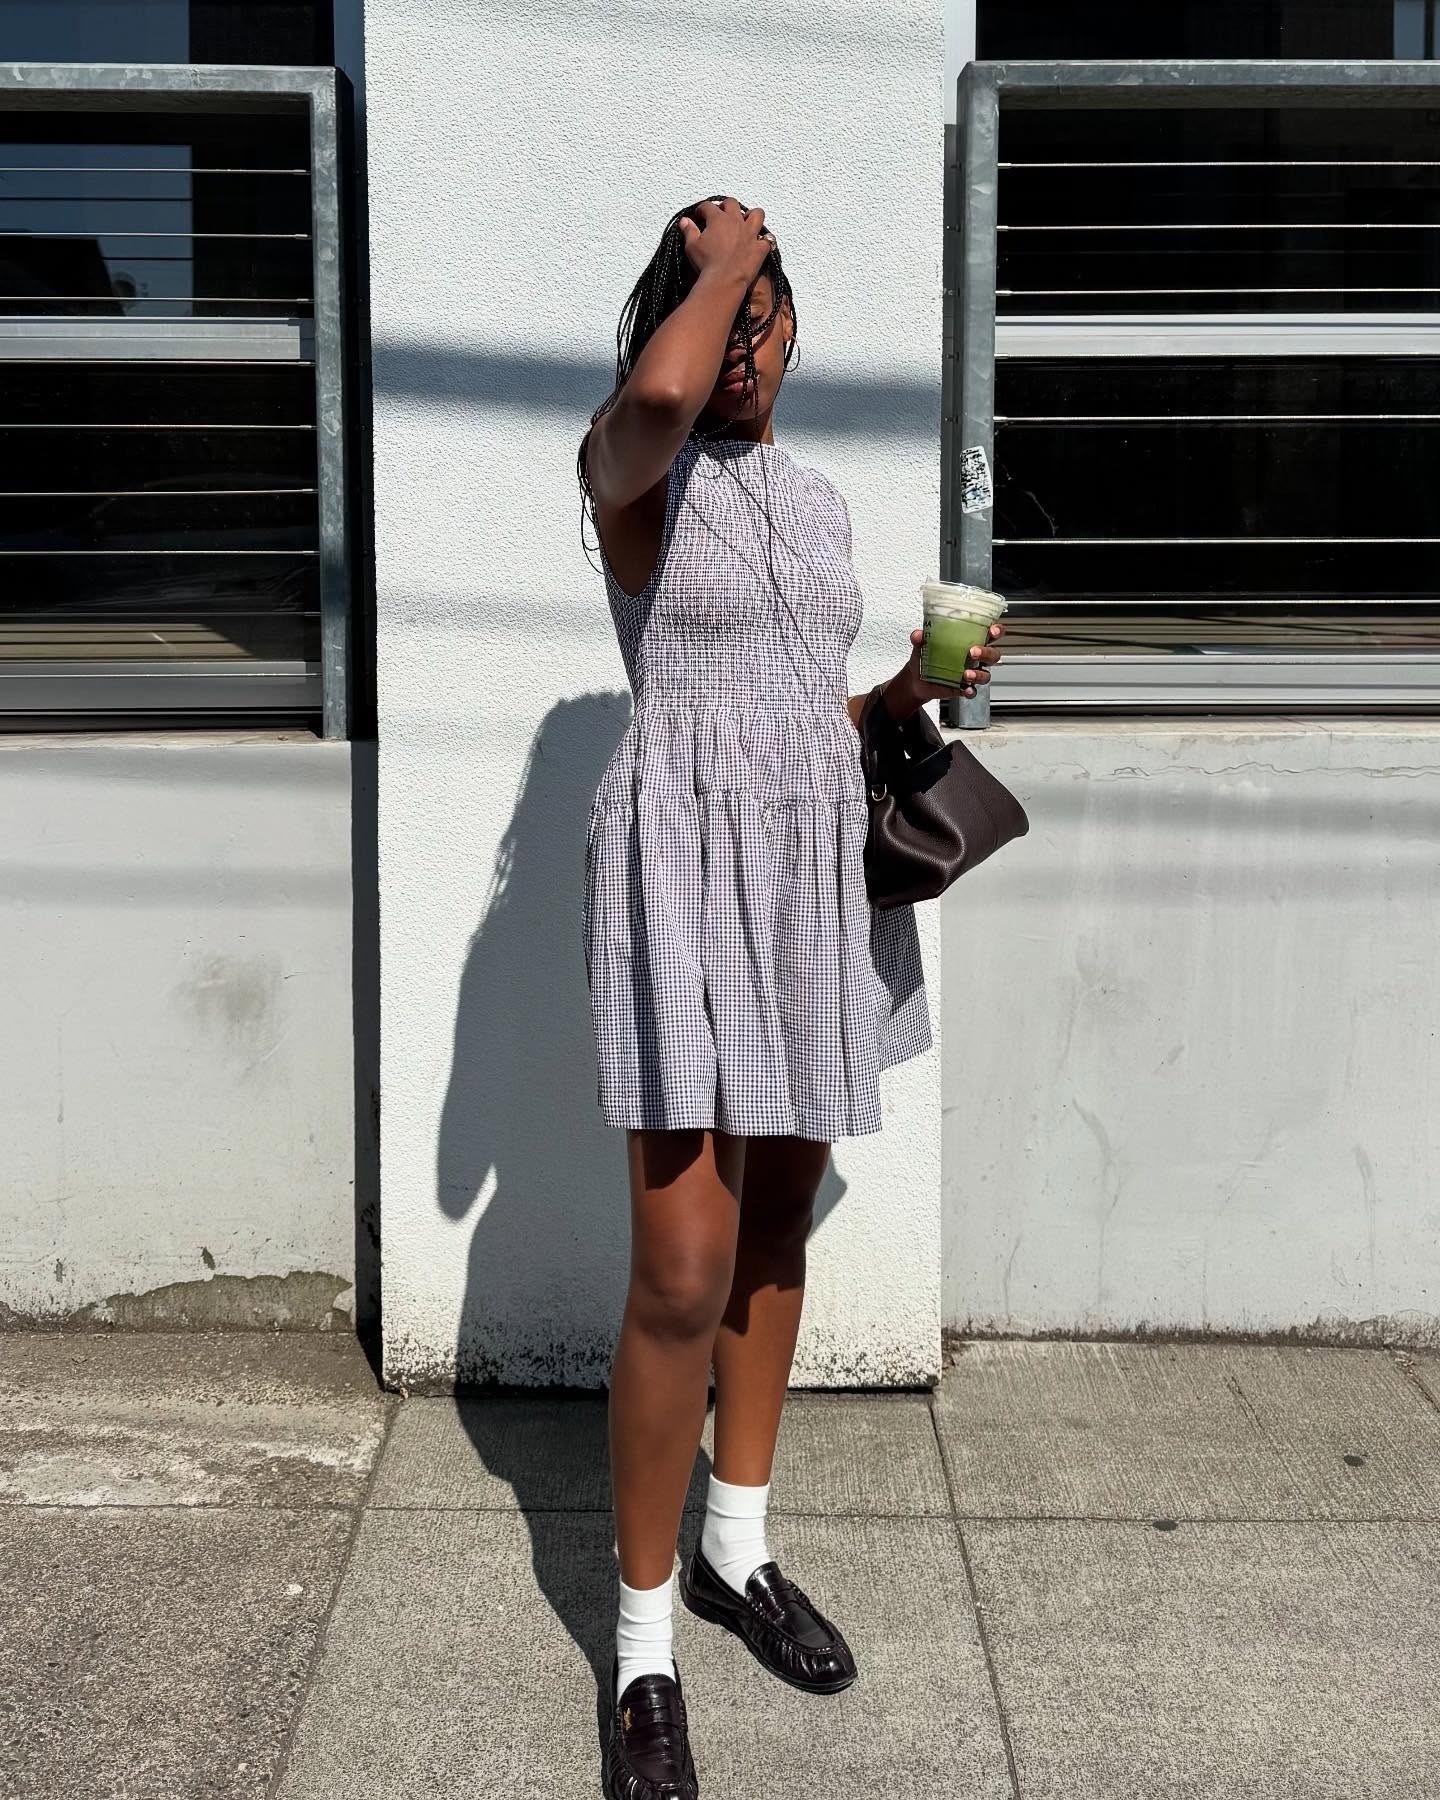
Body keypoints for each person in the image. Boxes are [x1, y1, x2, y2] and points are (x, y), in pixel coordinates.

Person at [578, 195, 1003, 1800]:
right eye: (724, 311)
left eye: (768, 314)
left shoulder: (818, 504)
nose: (746, 346)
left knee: (773, 1233)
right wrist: (730, 247)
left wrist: (907, 692)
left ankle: (737, 1552)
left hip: (810, 872)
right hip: (682, 879)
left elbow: (793, 709)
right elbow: (670, 398)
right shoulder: (625, 471)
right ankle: (638, 1652)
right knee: (678, 1268)